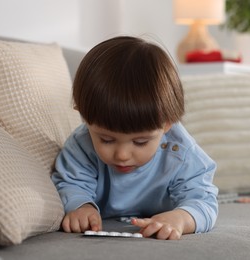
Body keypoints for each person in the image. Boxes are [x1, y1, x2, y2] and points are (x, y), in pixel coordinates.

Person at [51, 36, 218, 240]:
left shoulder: (180, 152)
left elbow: (203, 200)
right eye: (106, 139)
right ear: (83, 115)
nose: (122, 155)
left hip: (163, 211)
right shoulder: (82, 144)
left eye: (140, 142)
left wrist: (180, 218)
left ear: (167, 124)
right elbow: (71, 183)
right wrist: (81, 206)